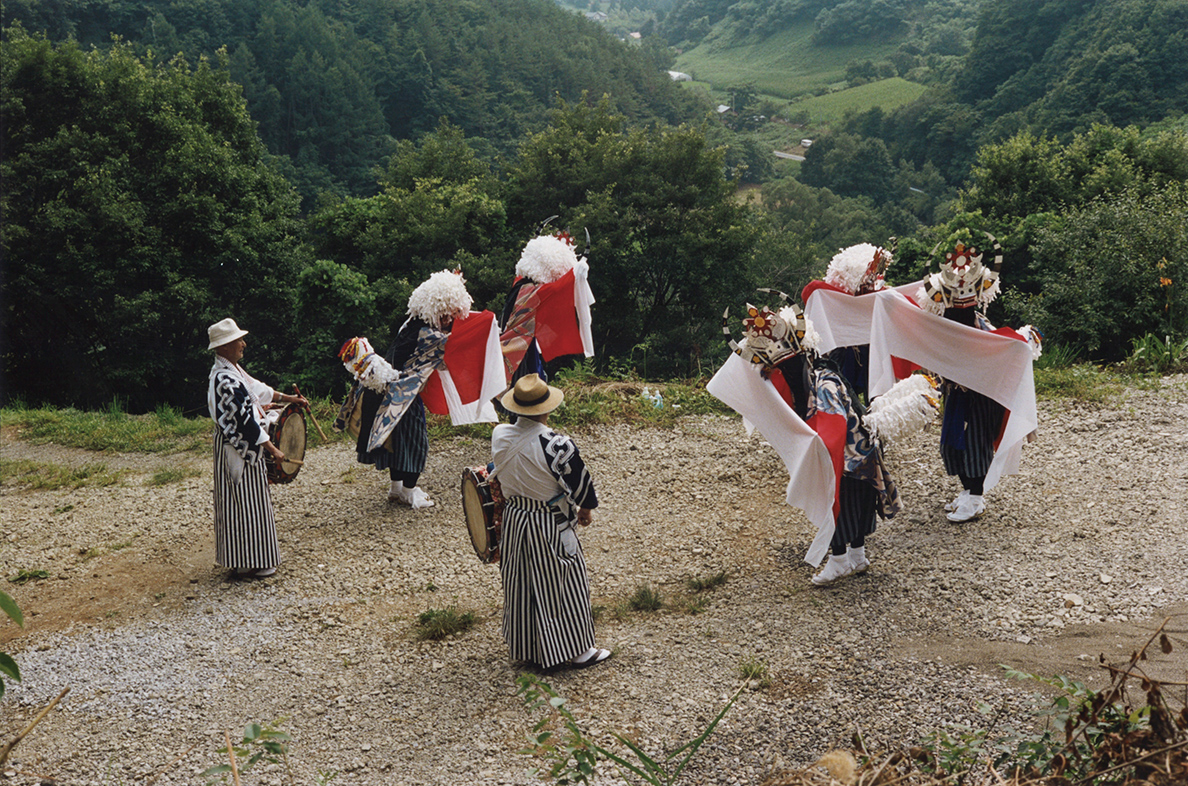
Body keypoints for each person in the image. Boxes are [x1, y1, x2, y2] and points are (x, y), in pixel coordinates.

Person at [916, 230, 1038, 523]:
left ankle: (975, 496)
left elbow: (1001, 349)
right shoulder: (945, 327)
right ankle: (967, 490)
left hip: (981, 397)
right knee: (951, 444)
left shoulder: (983, 327)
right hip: (956, 394)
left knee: (974, 445)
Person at [493, 374, 610, 670]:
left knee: (522, 581)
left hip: (516, 519)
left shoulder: (500, 435)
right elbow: (581, 484)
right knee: (563, 580)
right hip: (549, 521)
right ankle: (577, 650)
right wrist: (585, 509)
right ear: (547, 408)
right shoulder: (557, 445)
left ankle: (529, 648)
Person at [342, 270, 475, 509]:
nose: (449, 320)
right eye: (446, 314)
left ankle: (396, 489)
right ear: (435, 310)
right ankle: (409, 492)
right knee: (415, 443)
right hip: (404, 394)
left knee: (395, 441)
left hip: (386, 390)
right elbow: (459, 347)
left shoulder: (410, 324)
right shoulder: (429, 335)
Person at [207, 318, 307, 579]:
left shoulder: (232, 372)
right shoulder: (225, 380)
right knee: (248, 504)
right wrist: (272, 448)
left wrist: (288, 399)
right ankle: (256, 562)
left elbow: (257, 391)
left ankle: (241, 560)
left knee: (240, 503)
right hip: (238, 448)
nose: (243, 344)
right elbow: (244, 422)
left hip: (238, 446)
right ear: (226, 346)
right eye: (238, 340)